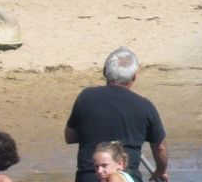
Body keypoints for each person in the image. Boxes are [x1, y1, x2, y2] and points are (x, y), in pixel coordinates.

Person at [65, 47, 169, 182]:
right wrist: (161, 170)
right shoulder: (145, 106)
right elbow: (160, 147)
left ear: (104, 71)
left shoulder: (86, 97)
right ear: (134, 76)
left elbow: (70, 136)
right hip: (126, 176)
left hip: (88, 176)